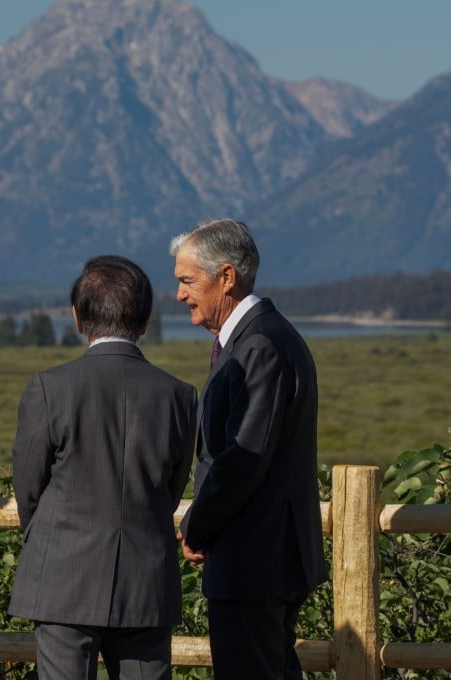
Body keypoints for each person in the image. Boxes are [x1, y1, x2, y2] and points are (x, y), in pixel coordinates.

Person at [7, 255, 198, 680]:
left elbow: (28, 486)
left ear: (77, 317)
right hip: (146, 579)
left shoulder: (49, 388)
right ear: (145, 319)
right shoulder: (180, 396)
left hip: (61, 577)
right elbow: (172, 485)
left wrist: (50, 538)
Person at [171, 218, 328, 679]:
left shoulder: (258, 344)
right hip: (262, 557)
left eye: (186, 280)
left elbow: (243, 457)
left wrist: (198, 525)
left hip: (255, 559)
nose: (179, 294)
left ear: (226, 277)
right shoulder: (254, 339)